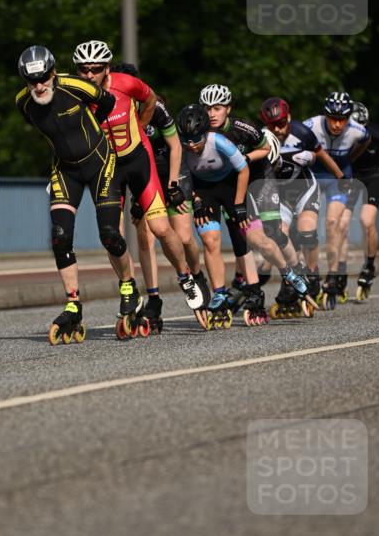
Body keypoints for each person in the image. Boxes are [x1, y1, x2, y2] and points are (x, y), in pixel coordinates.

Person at [72, 40, 205, 330]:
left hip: (138, 162)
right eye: (84, 70)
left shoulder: (125, 84)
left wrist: (141, 126)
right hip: (108, 169)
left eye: (95, 69)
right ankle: (128, 286)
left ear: (106, 68)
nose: (89, 75)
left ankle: (185, 276)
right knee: (111, 234)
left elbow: (151, 98)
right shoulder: (78, 94)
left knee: (160, 229)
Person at [15, 45, 130, 342]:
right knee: (60, 237)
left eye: (43, 78)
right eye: (31, 80)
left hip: (100, 162)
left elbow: (106, 103)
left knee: (109, 234)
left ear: (53, 73)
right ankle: (73, 304)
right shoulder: (24, 103)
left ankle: (129, 286)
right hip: (65, 171)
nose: (39, 85)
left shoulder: (75, 86)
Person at [177, 101, 313, 328]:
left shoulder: (219, 141)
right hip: (205, 191)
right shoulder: (182, 146)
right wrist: (196, 200)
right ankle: (219, 293)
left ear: (206, 133)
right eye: (187, 141)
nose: (192, 146)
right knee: (210, 240)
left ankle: (289, 273)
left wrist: (239, 205)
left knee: (256, 238)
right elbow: (182, 176)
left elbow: (243, 169)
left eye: (196, 140)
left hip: (232, 188)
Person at [111, 62, 211, 331]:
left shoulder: (153, 106)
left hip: (171, 172)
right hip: (142, 175)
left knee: (184, 237)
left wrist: (173, 183)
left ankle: (196, 275)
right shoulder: (110, 107)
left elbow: (175, 146)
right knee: (145, 238)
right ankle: (153, 298)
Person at [259, 96, 328, 309]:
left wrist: (306, 157)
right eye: (272, 125)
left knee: (307, 233)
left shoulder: (301, 132)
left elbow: (317, 156)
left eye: (281, 123)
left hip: (304, 189)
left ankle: (313, 273)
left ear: (288, 118)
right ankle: (294, 275)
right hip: (279, 194)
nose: (277, 129)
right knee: (280, 235)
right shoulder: (261, 139)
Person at [303, 91, 368, 307]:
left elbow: (365, 141)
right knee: (305, 226)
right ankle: (311, 272)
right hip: (314, 176)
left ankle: (332, 276)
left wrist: (350, 160)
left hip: (339, 178)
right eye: (333, 118)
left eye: (343, 120)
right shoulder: (310, 125)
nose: (338, 125)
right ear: (325, 115)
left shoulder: (357, 131)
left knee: (333, 223)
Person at [343, 100, 379, 300]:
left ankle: (370, 265)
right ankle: (337, 271)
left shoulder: (376, 133)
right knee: (340, 222)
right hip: (354, 176)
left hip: (375, 176)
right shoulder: (342, 135)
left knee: (367, 221)